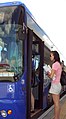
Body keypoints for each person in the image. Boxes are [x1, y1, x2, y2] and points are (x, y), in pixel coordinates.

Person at [47, 51, 62, 119]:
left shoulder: (55, 64)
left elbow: (51, 76)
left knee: (56, 104)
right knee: (57, 103)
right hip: (58, 84)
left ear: (54, 56)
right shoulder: (58, 64)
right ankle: (57, 117)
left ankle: (56, 118)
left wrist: (48, 73)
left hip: (55, 85)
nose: (50, 57)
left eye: (51, 55)